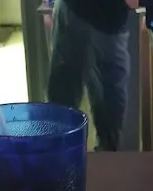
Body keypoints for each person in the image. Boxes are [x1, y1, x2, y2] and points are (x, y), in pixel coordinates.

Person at [47, 0, 139, 152]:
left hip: (106, 21)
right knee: (64, 106)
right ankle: (58, 163)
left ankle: (63, 160)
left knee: (110, 109)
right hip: (78, 14)